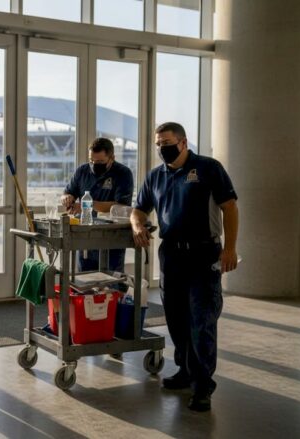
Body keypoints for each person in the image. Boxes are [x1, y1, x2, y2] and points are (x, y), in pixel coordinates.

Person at [130, 122, 239, 412]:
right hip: (171, 256)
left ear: (182, 142)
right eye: (157, 143)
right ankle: (186, 370)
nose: (161, 147)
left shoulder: (208, 168)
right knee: (176, 319)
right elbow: (138, 209)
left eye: (165, 141)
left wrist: (229, 248)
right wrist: (137, 224)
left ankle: (203, 385)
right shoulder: (155, 176)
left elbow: (230, 206)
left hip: (204, 253)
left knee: (201, 320)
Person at [61, 137, 134, 272]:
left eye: (100, 161)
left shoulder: (123, 174)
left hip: (112, 237)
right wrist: (67, 197)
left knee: (112, 282)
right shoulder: (82, 171)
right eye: (92, 161)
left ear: (112, 158)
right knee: (85, 280)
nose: (95, 164)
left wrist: (87, 205)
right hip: (85, 236)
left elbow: (121, 206)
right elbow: (68, 192)